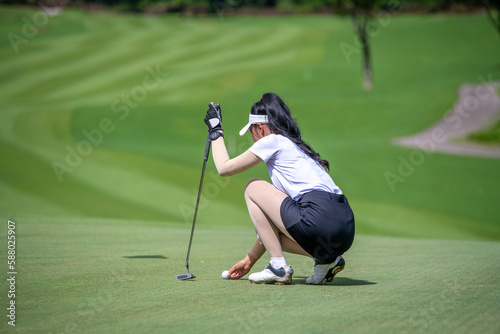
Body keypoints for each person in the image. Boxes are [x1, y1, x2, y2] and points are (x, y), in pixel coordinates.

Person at [203, 93, 355, 285]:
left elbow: (224, 168)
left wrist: (216, 131)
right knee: (269, 235)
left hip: (319, 219)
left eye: (251, 131)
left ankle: (278, 267)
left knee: (252, 187)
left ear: (260, 127)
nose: (252, 137)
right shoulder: (296, 147)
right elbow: (268, 231)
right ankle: (327, 261)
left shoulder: (273, 141)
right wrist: (249, 261)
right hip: (345, 229)